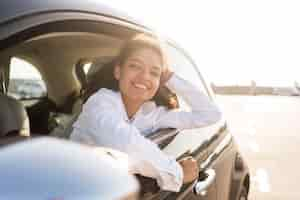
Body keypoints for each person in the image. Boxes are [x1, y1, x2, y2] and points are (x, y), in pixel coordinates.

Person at [70, 34, 221, 192]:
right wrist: (179, 173)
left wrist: (170, 78)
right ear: (118, 72)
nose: (144, 77)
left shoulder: (151, 113)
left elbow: (210, 114)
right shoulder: (99, 103)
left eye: (154, 73)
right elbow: (126, 143)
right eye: (135, 66)